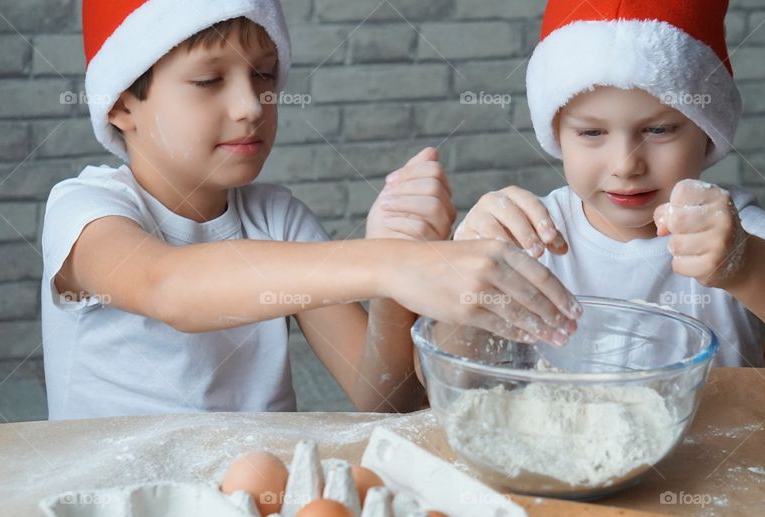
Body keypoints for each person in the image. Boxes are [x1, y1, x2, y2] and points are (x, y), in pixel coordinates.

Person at [42, 0, 581, 420]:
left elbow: (384, 402)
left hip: (254, 509)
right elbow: (168, 287)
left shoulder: (278, 218)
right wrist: (390, 263)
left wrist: (396, 280)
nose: (251, 105)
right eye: (209, 81)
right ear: (120, 105)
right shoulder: (84, 209)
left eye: (265, 74)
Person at [454, 0, 765, 371]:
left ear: (708, 132)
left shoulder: (732, 229)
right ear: (557, 136)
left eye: (659, 129)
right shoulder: (532, 233)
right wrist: (467, 271)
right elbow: (456, 371)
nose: (626, 164)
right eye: (592, 133)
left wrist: (748, 266)